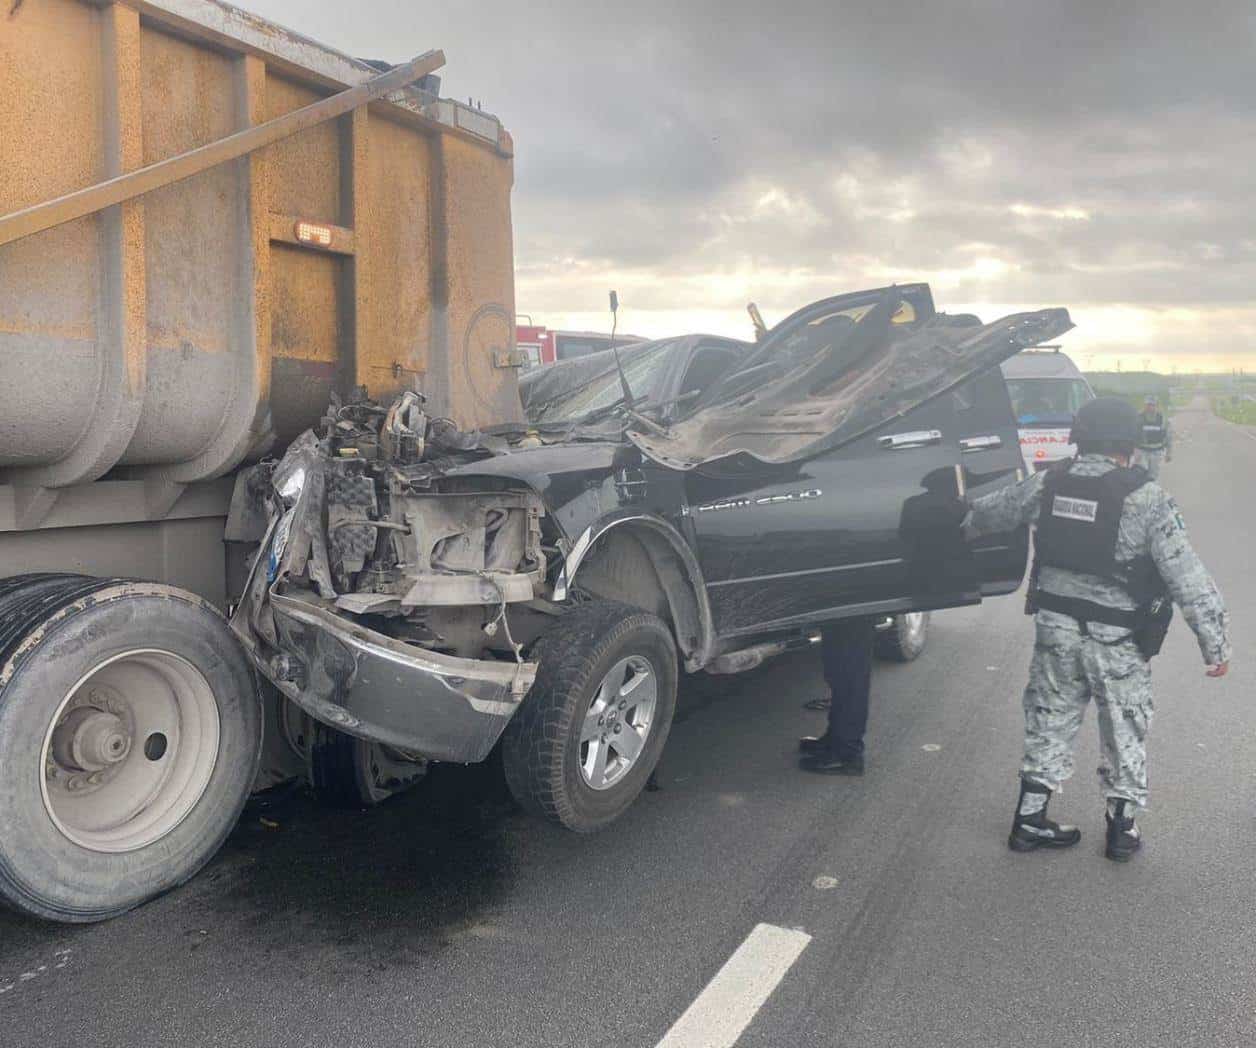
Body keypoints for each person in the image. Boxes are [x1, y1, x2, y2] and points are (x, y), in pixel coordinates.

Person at [964, 397, 1229, 861]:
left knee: (1049, 719)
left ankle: (1029, 820)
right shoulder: (1147, 497)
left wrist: (940, 517)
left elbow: (985, 515)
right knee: (1125, 727)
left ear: (1079, 438)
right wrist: (1215, 645)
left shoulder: (1049, 483)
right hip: (1118, 640)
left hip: (1056, 630)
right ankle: (1121, 831)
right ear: (1127, 444)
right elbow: (1187, 577)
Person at [799, 618, 877, 775]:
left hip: (854, 603)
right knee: (838, 669)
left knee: (849, 673)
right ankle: (835, 739)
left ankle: (847, 754)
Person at [1133, 394, 1171, 478]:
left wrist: (1169, 453)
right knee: (1140, 474)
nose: (1150, 407)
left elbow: (1168, 436)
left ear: (1156, 406)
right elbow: (1133, 435)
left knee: (1153, 476)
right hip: (1142, 451)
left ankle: (1151, 490)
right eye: (1148, 404)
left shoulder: (1162, 419)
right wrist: (1134, 451)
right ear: (1145, 405)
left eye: (1152, 405)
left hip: (1156, 452)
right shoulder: (1138, 417)